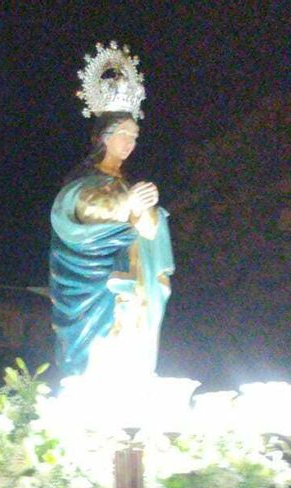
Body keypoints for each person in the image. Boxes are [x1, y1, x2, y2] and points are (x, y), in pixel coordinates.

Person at [49, 48, 171, 380]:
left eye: (135, 136)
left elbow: (147, 231)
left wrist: (149, 213)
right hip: (95, 283)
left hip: (134, 284)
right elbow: (77, 210)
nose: (130, 142)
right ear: (105, 136)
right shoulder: (85, 180)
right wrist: (128, 205)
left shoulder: (126, 184)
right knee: (100, 349)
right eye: (124, 134)